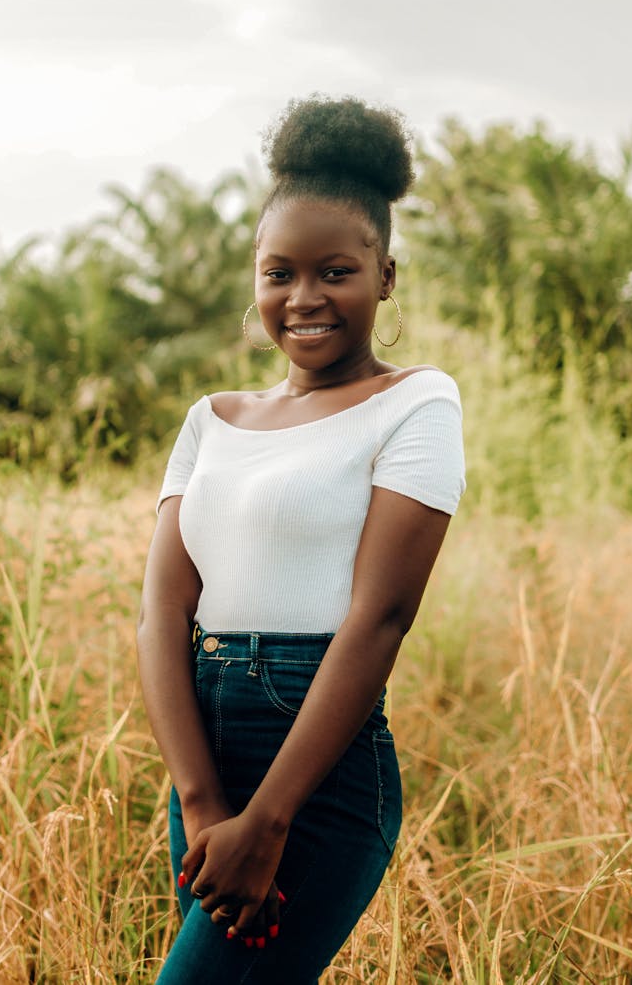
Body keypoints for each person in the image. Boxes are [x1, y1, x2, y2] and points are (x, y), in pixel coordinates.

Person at [137, 95, 466, 984]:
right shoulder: (212, 418)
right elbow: (161, 614)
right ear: (255, 276)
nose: (304, 297)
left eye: (336, 271)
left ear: (385, 275)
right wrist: (202, 801)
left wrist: (268, 818)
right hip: (200, 752)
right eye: (279, 272)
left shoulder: (417, 403)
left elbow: (380, 621)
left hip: (315, 765)